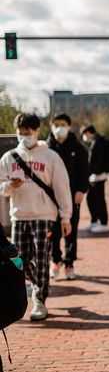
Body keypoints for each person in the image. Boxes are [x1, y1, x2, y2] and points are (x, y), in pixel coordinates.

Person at [0, 113, 72, 321]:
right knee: (20, 260)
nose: (24, 137)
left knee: (41, 259)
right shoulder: (9, 158)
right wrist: (8, 186)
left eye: (28, 133)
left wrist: (65, 216)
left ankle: (39, 299)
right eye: (20, 133)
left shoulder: (50, 157)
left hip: (44, 216)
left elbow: (62, 188)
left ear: (37, 131)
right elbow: (0, 186)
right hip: (19, 215)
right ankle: (36, 284)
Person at [48, 114, 89, 280]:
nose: (59, 128)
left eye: (62, 124)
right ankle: (55, 260)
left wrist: (81, 190)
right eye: (56, 124)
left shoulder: (78, 148)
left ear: (69, 126)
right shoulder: (46, 148)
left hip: (72, 196)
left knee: (71, 231)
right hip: (50, 198)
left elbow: (84, 171)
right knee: (53, 231)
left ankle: (69, 262)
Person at [81, 124, 109, 233]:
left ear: (88, 133)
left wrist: (90, 173)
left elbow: (94, 161)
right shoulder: (99, 141)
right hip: (98, 175)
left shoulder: (97, 143)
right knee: (92, 199)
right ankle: (95, 221)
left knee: (98, 199)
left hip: (97, 176)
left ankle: (103, 223)